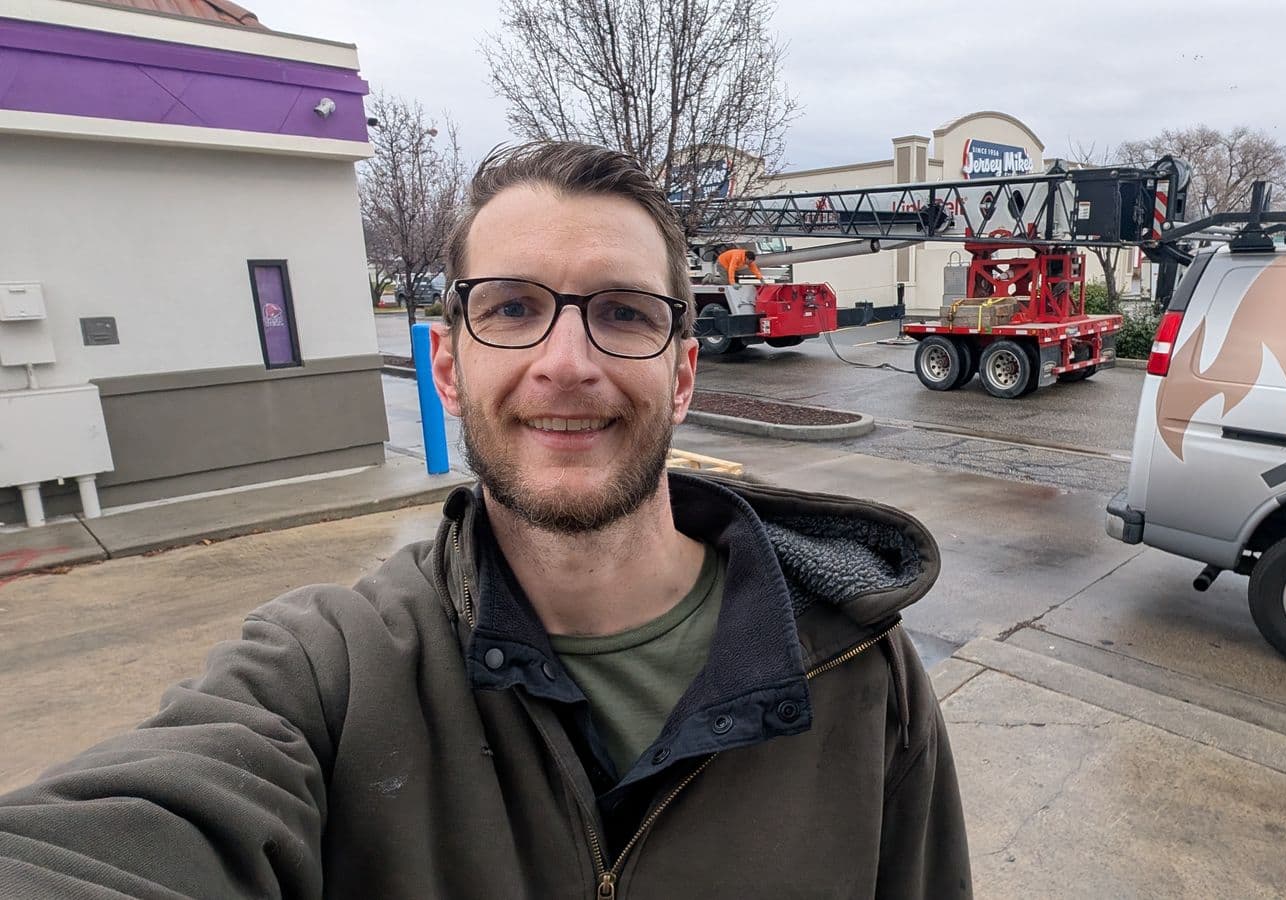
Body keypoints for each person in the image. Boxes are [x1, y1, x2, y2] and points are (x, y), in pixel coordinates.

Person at [0, 141, 971, 899]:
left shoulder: (859, 671)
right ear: (450, 365)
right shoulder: (329, 675)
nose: (565, 361)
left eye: (625, 313)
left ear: (681, 375)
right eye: (511, 307)